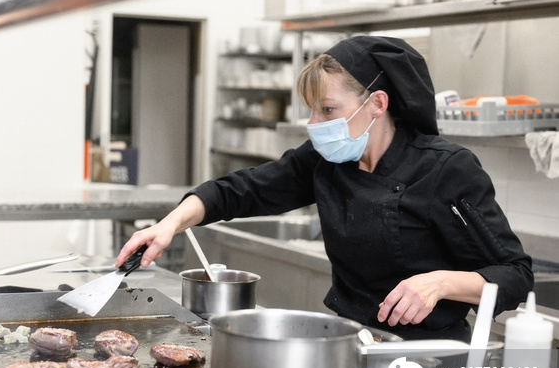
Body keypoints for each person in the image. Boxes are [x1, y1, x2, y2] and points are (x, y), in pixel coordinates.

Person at [115, 35, 533, 341]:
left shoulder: (446, 168)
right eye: (311, 110)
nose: (314, 124)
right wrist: (169, 225)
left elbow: (515, 274)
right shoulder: (327, 162)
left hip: (431, 354)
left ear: (378, 104)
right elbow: (238, 190)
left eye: (328, 110)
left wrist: (441, 282)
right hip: (347, 339)